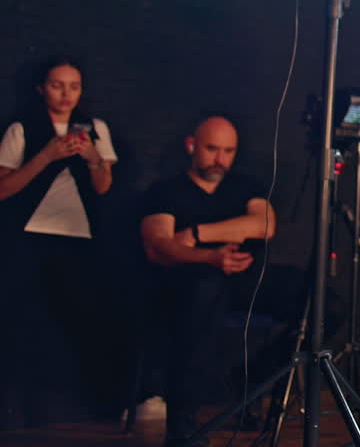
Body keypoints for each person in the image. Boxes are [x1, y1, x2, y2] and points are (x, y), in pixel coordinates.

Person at [140, 115, 275, 447]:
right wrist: (210, 257)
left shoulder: (246, 186)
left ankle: (251, 382)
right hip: (188, 283)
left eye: (228, 151)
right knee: (203, 292)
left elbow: (265, 225)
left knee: (324, 304)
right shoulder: (165, 191)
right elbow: (159, 248)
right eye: (213, 149)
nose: (220, 159)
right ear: (191, 146)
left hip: (245, 279)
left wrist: (198, 234)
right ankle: (183, 427)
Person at [0, 56, 118, 427]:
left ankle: (68, 407)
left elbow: (104, 186)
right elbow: (4, 189)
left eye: (74, 86)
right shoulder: (22, 127)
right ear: (41, 88)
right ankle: (16, 408)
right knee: (23, 322)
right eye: (57, 85)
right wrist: (47, 155)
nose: (66, 94)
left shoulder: (95, 127)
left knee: (73, 322)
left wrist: (93, 158)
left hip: (78, 237)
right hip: (29, 236)